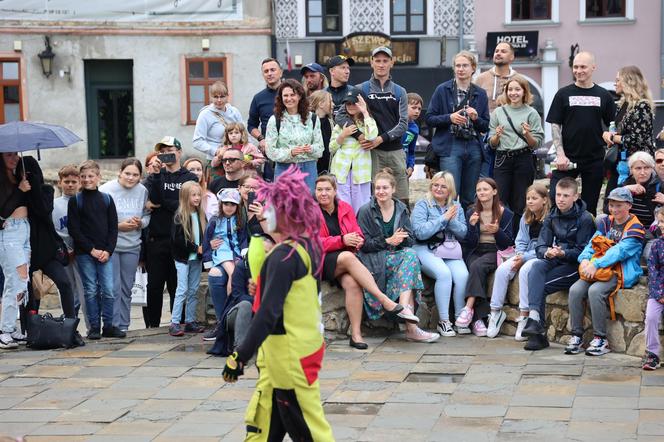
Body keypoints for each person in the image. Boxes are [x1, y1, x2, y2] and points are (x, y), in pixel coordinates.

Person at [221, 166, 334, 441]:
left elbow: (268, 314)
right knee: (263, 421)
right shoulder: (305, 246)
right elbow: (294, 296)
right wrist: (264, 287)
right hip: (287, 354)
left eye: (270, 208)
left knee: (310, 430)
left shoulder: (283, 256)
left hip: (289, 357)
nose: (264, 213)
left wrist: (239, 356)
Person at [315, 175, 416, 349]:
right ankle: (384, 300)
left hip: (345, 261)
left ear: (335, 191)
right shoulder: (310, 212)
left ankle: (355, 335)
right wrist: (342, 240)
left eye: (327, 189)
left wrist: (358, 240)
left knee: (353, 283)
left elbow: (358, 234)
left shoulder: (345, 208)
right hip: (321, 261)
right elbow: (312, 243)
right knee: (348, 257)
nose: (323, 193)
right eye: (319, 190)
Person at [356, 168, 440, 343]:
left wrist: (401, 239)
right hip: (374, 261)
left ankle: (404, 310)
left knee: (410, 253)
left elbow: (410, 239)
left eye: (385, 188)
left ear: (393, 189)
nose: (381, 192)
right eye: (377, 188)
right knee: (410, 259)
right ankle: (410, 323)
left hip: (396, 258)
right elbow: (364, 245)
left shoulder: (401, 208)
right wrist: (388, 241)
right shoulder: (366, 211)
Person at [566, 187, 645, 356]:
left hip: (620, 272)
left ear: (629, 205)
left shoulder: (636, 228)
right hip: (599, 269)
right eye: (611, 205)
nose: (614, 209)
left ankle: (601, 339)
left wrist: (596, 265)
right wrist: (585, 260)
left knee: (595, 291)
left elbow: (620, 252)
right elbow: (592, 244)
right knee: (575, 290)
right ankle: (577, 336)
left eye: (619, 205)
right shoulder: (606, 222)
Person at [521, 177, 596, 350]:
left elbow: (584, 252)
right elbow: (540, 245)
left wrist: (563, 252)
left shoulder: (585, 218)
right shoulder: (552, 215)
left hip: (574, 265)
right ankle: (534, 319)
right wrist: (547, 251)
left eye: (566, 195)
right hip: (555, 259)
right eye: (558, 195)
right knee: (536, 266)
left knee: (539, 285)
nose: (561, 199)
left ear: (575, 197)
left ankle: (537, 334)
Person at [546, 51, 616, 215]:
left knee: (589, 207)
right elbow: (555, 125)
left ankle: (587, 240)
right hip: (567, 158)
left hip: (594, 159)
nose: (578, 71)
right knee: (556, 202)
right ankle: (557, 238)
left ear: (593, 68)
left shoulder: (604, 95)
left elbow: (612, 124)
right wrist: (560, 154)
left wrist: (609, 137)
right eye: (575, 67)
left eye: (583, 67)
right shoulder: (563, 93)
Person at [18, 155, 79, 342]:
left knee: (65, 283)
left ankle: (70, 325)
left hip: (46, 248)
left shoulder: (45, 190)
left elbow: (43, 211)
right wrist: (20, 191)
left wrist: (32, 188)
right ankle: (28, 331)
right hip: (24, 249)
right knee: (28, 293)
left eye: (31, 173)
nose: (28, 176)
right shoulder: (15, 191)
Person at [143, 136, 198, 328]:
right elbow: (155, 199)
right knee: (154, 286)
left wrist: (164, 204)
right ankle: (152, 326)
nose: (167, 154)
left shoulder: (189, 177)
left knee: (178, 285)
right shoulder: (154, 177)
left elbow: (185, 205)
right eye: (163, 151)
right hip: (157, 238)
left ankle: (180, 322)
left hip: (181, 239)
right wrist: (157, 175)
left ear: (179, 152)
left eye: (170, 150)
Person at [426, 51, 490, 209]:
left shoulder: (480, 94)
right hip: (450, 145)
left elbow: (485, 126)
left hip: (473, 146)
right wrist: (449, 118)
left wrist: (475, 118)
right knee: (450, 193)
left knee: (469, 197)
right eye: (458, 66)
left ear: (473, 68)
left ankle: (467, 231)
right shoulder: (442, 89)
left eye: (465, 65)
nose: (461, 69)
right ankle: (449, 231)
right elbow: (429, 118)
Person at [487, 183, 550, 339]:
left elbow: (547, 245)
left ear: (544, 200)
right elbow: (521, 239)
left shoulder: (550, 218)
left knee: (525, 271)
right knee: (502, 270)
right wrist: (519, 254)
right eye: (528, 198)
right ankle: (495, 313)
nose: (530, 201)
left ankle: (524, 315)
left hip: (539, 255)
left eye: (534, 198)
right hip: (524, 253)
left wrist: (524, 258)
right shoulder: (525, 216)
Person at [67, 160, 121, 340]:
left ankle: (108, 325)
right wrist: (91, 250)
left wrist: (108, 250)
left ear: (98, 177)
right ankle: (94, 327)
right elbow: (74, 230)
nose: (87, 179)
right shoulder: (76, 201)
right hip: (85, 254)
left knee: (108, 289)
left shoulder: (106, 199)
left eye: (90, 176)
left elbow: (113, 227)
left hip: (105, 253)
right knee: (90, 290)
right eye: (83, 177)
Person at [411, 171, 469, 337]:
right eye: (436, 185)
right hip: (425, 248)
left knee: (463, 275)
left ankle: (460, 319)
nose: (438, 188)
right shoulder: (423, 204)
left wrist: (452, 221)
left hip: (449, 248)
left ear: (450, 189)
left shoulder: (456, 206)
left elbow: (464, 233)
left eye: (443, 186)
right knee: (444, 274)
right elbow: (419, 232)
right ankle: (444, 322)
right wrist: (443, 219)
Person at [456, 178, 514, 336]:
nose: (482, 192)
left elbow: (508, 243)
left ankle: (468, 309)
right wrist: (473, 226)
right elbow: (468, 241)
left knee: (476, 267)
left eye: (485, 189)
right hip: (475, 250)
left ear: (494, 191)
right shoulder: (471, 211)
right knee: (474, 269)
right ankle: (477, 320)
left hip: (494, 251)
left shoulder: (505, 213)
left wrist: (497, 231)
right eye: (479, 190)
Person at [353, 47, 410, 204]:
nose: (381, 64)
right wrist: (360, 135)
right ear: (371, 62)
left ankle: (403, 227)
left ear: (392, 63)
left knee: (401, 196)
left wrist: (381, 138)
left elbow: (403, 123)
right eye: (377, 60)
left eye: (385, 61)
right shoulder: (360, 89)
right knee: (373, 196)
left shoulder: (400, 91)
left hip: (396, 150)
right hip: (371, 152)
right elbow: (345, 116)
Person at [100, 159, 150, 333]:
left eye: (135, 175)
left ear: (140, 176)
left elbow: (146, 215)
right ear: (120, 172)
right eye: (127, 173)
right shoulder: (106, 190)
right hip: (111, 245)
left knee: (127, 287)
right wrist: (118, 226)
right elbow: (98, 219)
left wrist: (140, 223)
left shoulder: (142, 191)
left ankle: (123, 325)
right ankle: (112, 325)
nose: (131, 178)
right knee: (112, 287)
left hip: (132, 245)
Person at [489, 75, 544, 220]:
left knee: (521, 201)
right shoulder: (498, 112)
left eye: (517, 89)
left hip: (523, 157)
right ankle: (502, 235)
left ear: (524, 92)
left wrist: (527, 135)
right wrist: (497, 136)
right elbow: (491, 143)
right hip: (502, 159)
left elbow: (537, 143)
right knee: (499, 200)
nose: (513, 93)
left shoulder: (531, 113)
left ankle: (518, 237)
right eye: (510, 89)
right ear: (506, 92)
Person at [602, 65, 655, 200]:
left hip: (637, 166)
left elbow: (637, 139)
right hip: (621, 163)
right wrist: (609, 136)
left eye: (618, 80)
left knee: (629, 201)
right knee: (613, 200)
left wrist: (613, 137)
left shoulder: (642, 106)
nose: (616, 83)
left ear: (629, 81)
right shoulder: (622, 105)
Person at [203, 188, 248, 338]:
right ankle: (221, 322)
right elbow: (207, 240)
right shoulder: (215, 220)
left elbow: (242, 239)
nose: (229, 207)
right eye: (226, 204)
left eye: (233, 204)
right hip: (220, 252)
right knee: (218, 271)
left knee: (229, 268)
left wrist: (244, 251)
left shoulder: (240, 220)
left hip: (235, 252)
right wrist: (207, 261)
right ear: (221, 204)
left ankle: (231, 322)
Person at [265, 79, 323, 193]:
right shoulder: (275, 120)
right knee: (285, 206)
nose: (289, 98)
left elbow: (320, 148)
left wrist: (310, 149)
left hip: (308, 168)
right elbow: (270, 151)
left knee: (307, 206)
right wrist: (290, 153)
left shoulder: (313, 118)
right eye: (285, 95)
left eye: (292, 95)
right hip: (285, 169)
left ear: (300, 96)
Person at [0, 152, 31, 349]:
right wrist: (20, 190)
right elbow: (3, 211)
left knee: (21, 282)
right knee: (15, 281)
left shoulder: (17, 176)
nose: (15, 158)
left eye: (16, 155)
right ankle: (5, 331)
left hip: (23, 230)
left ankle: (10, 328)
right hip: (9, 232)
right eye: (9, 155)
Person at [52, 165, 88, 330]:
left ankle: (90, 326)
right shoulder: (54, 205)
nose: (71, 185)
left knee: (85, 290)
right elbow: (54, 231)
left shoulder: (84, 202)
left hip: (82, 251)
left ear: (80, 183)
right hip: (63, 252)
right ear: (60, 183)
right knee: (66, 288)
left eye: (74, 181)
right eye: (66, 181)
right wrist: (65, 249)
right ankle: (69, 322)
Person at [329, 89, 376, 212]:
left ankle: (360, 231)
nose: (350, 106)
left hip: (361, 172)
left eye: (354, 103)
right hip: (340, 172)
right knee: (343, 207)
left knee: (362, 208)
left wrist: (365, 112)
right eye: (348, 103)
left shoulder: (367, 121)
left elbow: (372, 136)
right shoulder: (340, 124)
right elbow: (331, 148)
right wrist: (342, 135)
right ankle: (345, 231)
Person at [170, 181, 207, 337]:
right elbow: (178, 240)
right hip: (183, 259)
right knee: (182, 290)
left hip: (196, 259)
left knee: (193, 290)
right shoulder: (179, 216)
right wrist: (195, 248)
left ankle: (190, 321)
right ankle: (175, 322)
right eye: (193, 195)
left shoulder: (200, 215)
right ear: (185, 196)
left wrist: (203, 249)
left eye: (199, 195)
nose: (197, 198)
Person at [248, 58, 283, 180]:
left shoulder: (291, 94)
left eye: (273, 70)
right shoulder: (258, 98)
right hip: (269, 150)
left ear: (281, 72)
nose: (269, 73)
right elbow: (251, 125)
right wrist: (261, 139)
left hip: (291, 150)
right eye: (266, 71)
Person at [193, 80, 243, 161]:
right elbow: (197, 141)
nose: (219, 100)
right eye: (216, 97)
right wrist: (216, 151)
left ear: (227, 96)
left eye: (222, 96)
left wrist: (249, 151)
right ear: (211, 97)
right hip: (217, 160)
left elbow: (244, 134)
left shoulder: (234, 112)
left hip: (237, 159)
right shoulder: (205, 114)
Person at [643, 208, 664, 370]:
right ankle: (653, 354)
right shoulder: (657, 246)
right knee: (651, 317)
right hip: (658, 293)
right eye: (659, 222)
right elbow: (653, 271)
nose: (660, 225)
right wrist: (659, 294)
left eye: (663, 221)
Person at [475, 42, 519, 113]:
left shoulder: (519, 80)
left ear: (512, 57)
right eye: (496, 51)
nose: (498, 53)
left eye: (503, 51)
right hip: (486, 123)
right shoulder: (481, 79)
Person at [183, 157, 217, 221]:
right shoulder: (179, 194)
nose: (196, 173)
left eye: (199, 170)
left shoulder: (210, 197)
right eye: (191, 170)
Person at [309, 90, 334, 175]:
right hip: (313, 169)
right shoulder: (309, 122)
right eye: (330, 101)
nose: (333, 104)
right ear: (321, 104)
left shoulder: (331, 122)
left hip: (328, 169)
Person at [402, 92, 423, 182]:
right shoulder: (394, 123)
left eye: (419, 109)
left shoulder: (414, 128)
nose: (417, 111)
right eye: (413, 108)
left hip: (404, 167)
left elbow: (411, 150)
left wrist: (411, 166)